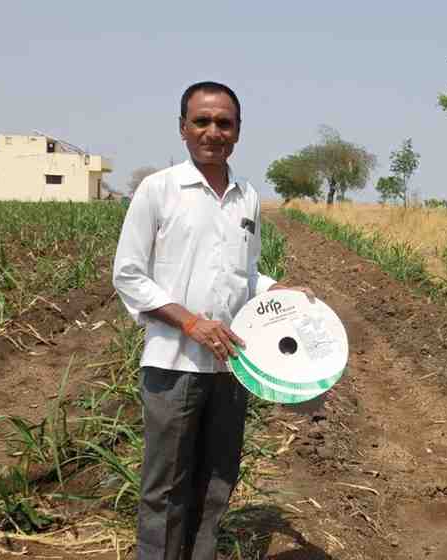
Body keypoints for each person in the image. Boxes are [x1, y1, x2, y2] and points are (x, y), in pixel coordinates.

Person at [112, 81, 313, 560]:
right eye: (202, 121)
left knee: (217, 483)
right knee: (166, 490)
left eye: (224, 123)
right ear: (183, 128)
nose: (213, 131)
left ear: (238, 132)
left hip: (232, 367)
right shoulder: (158, 190)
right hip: (174, 364)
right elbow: (129, 275)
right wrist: (189, 322)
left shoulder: (247, 198)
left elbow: (244, 275)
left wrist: (275, 290)